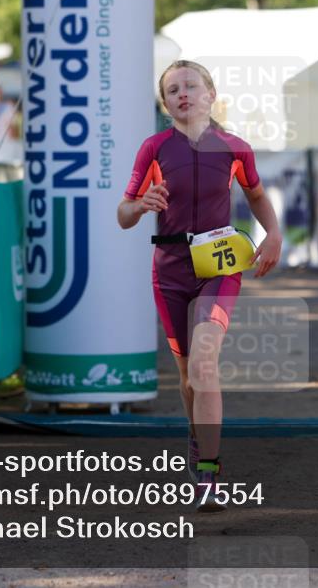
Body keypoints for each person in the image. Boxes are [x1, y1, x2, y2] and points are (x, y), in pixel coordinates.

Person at [117, 60, 282, 512]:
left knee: (206, 359)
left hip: (218, 266)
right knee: (189, 376)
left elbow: (256, 196)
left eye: (191, 86)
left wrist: (275, 234)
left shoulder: (235, 148)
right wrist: (139, 205)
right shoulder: (153, 147)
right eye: (173, 89)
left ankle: (208, 473)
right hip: (168, 269)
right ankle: (196, 436)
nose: (183, 94)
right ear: (165, 102)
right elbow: (123, 213)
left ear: (210, 93)